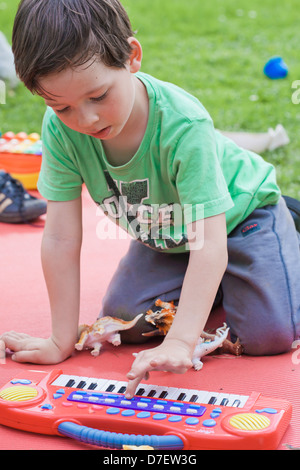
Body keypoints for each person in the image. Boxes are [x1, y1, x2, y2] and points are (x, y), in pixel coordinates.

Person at [1, 0, 299, 400]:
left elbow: (208, 243)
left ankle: (284, 237)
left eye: (99, 95)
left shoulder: (183, 124)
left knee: (268, 335)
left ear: (132, 56)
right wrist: (60, 339)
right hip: (169, 235)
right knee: (127, 322)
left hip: (243, 217)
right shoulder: (61, 131)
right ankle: (228, 284)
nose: (85, 120)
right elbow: (60, 239)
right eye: (62, 106)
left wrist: (181, 341)